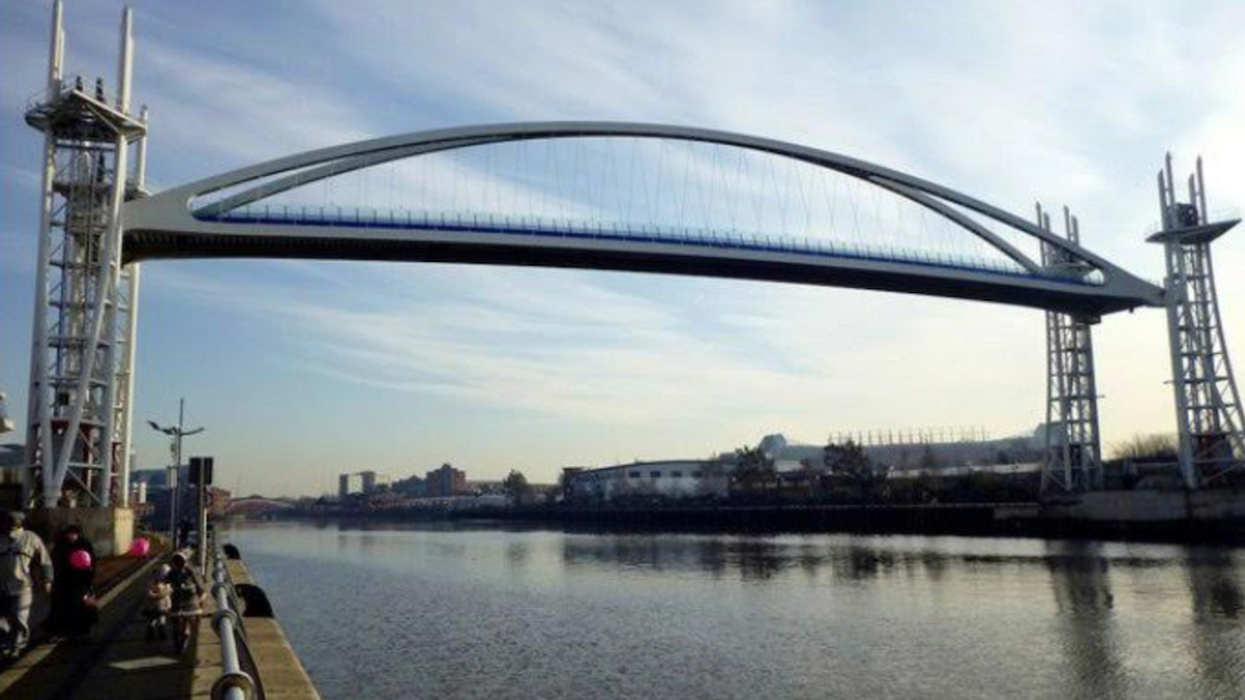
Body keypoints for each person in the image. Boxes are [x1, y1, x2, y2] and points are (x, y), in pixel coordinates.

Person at [0, 511, 52, 658]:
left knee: (19, 616)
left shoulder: (30, 538)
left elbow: (45, 560)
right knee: (5, 619)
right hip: (2, 587)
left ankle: (18, 645)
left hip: (22, 586)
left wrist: (47, 580)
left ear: (19, 523)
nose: (9, 524)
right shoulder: (1, 539)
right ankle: (7, 643)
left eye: (12, 521)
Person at [45, 525, 97, 640]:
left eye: (74, 533)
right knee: (64, 606)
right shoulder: (60, 546)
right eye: (70, 533)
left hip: (81, 581)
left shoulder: (84, 544)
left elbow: (91, 560)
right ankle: (62, 630)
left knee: (83, 605)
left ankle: (83, 630)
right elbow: (55, 562)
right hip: (65, 582)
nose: (72, 536)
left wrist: (90, 576)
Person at [167, 552, 205, 654]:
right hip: (177, 600)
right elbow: (166, 584)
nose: (178, 565)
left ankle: (181, 645)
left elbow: (200, 587)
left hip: (189, 600)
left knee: (185, 623)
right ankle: (177, 645)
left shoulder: (190, 572)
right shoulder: (172, 573)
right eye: (176, 563)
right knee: (176, 624)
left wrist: (200, 598)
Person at [144, 564, 173, 641]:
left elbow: (169, 591)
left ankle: (159, 633)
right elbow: (149, 594)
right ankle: (153, 633)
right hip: (154, 605)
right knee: (153, 620)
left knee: (161, 619)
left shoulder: (166, 582)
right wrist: (160, 595)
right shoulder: (151, 582)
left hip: (162, 605)